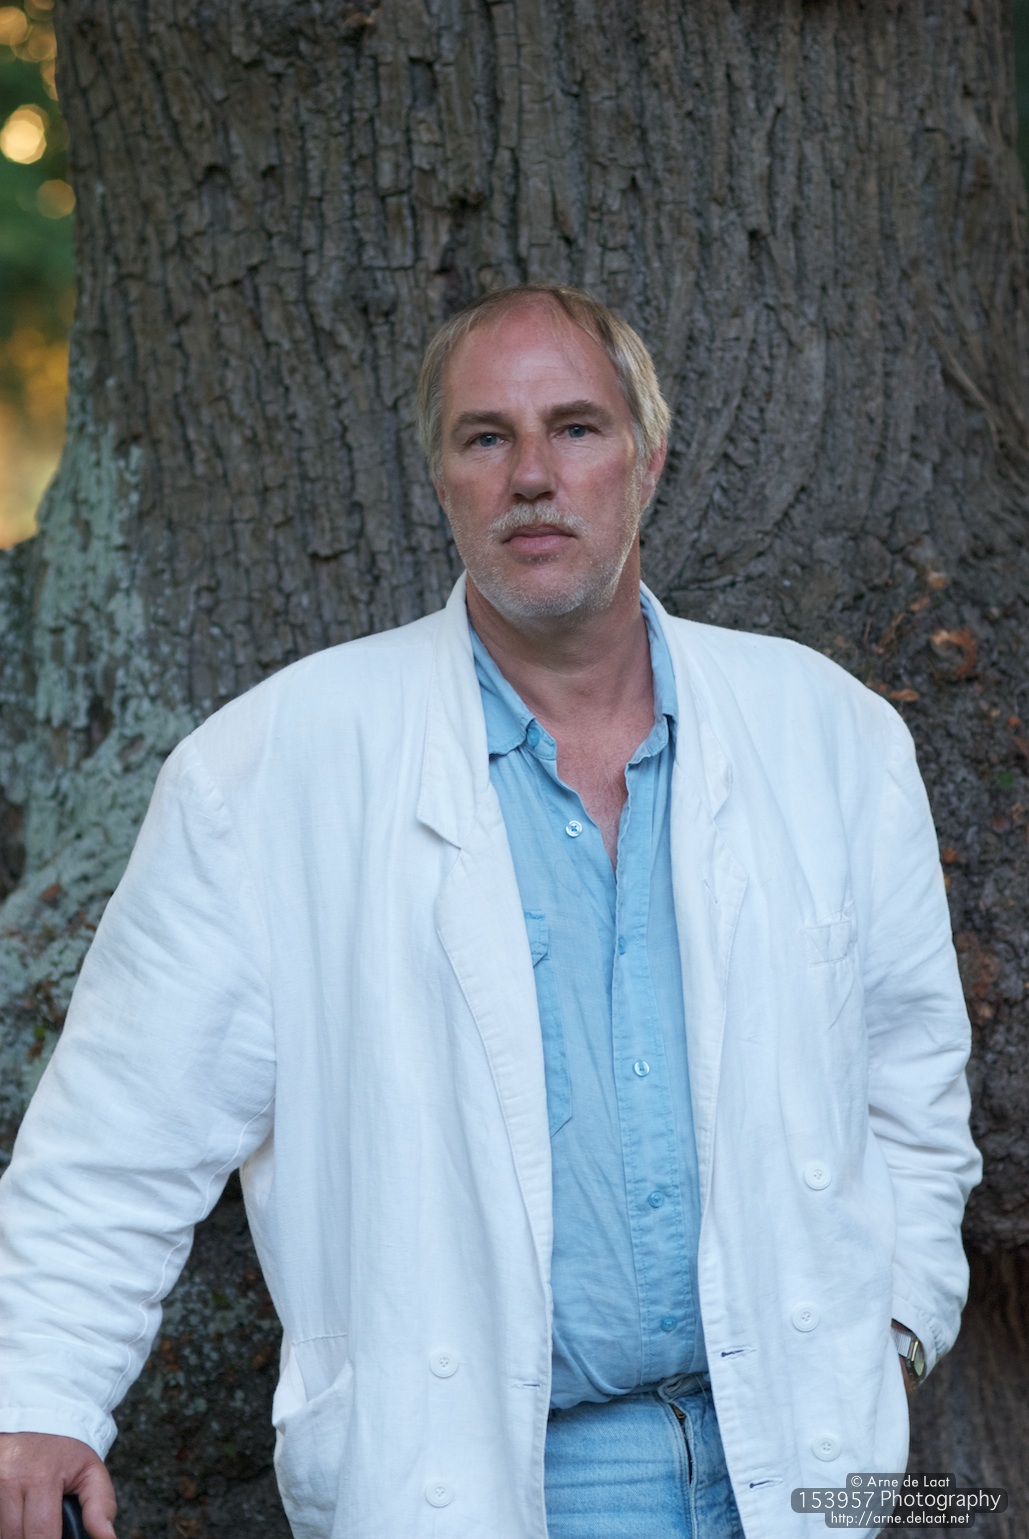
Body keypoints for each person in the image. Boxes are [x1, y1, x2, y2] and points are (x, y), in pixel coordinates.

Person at [0, 284, 980, 1539]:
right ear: (441, 478)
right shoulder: (269, 773)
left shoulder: (830, 735)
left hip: (797, 1459)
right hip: (487, 1478)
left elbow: (912, 1082)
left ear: (647, 460)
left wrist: (892, 1329)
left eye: (575, 427)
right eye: (485, 437)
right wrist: (41, 1396)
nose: (532, 476)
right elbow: (117, 1139)